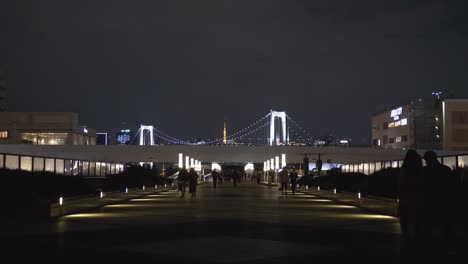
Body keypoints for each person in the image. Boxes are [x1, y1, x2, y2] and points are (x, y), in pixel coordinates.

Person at [423, 150, 453, 241]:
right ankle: (447, 240)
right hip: (444, 199)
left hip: (429, 200)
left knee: (429, 224)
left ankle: (429, 242)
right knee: (445, 223)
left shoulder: (425, 171)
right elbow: (451, 185)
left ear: (427, 160)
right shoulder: (446, 169)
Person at [398, 149, 425, 241]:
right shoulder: (420, 170)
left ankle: (406, 236)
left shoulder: (404, 169)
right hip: (418, 196)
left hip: (406, 196)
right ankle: (417, 235)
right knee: (417, 217)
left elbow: (401, 184)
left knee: (405, 217)